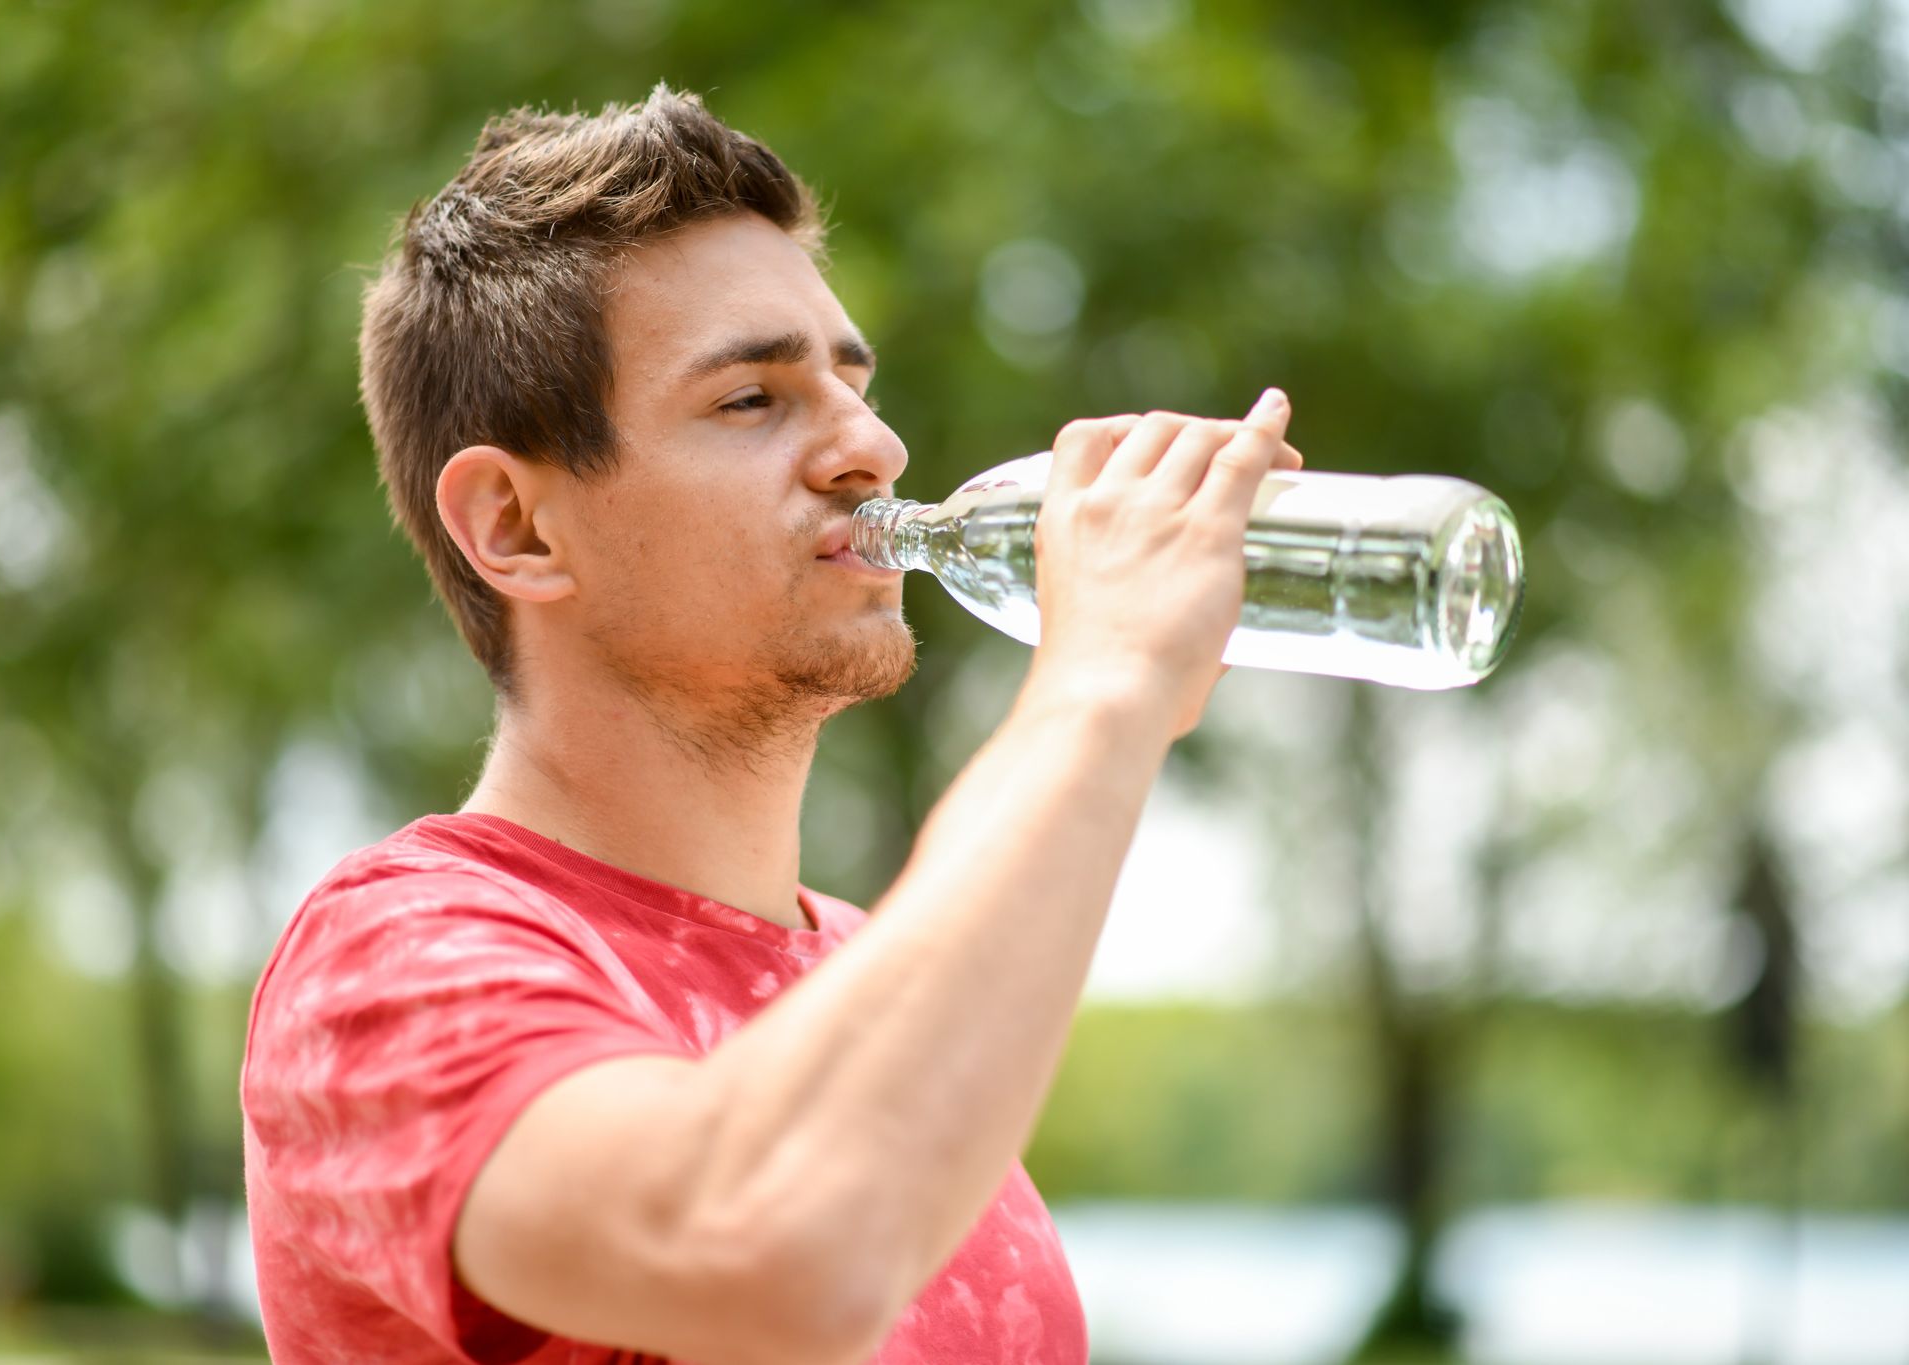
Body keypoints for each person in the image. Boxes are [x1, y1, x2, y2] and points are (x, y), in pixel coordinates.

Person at [240, 84, 1300, 1365]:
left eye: (853, 385)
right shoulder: (387, 964)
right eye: (753, 399)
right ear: (517, 528)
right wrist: (1104, 686)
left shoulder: (866, 968)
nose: (875, 449)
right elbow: (777, 1249)